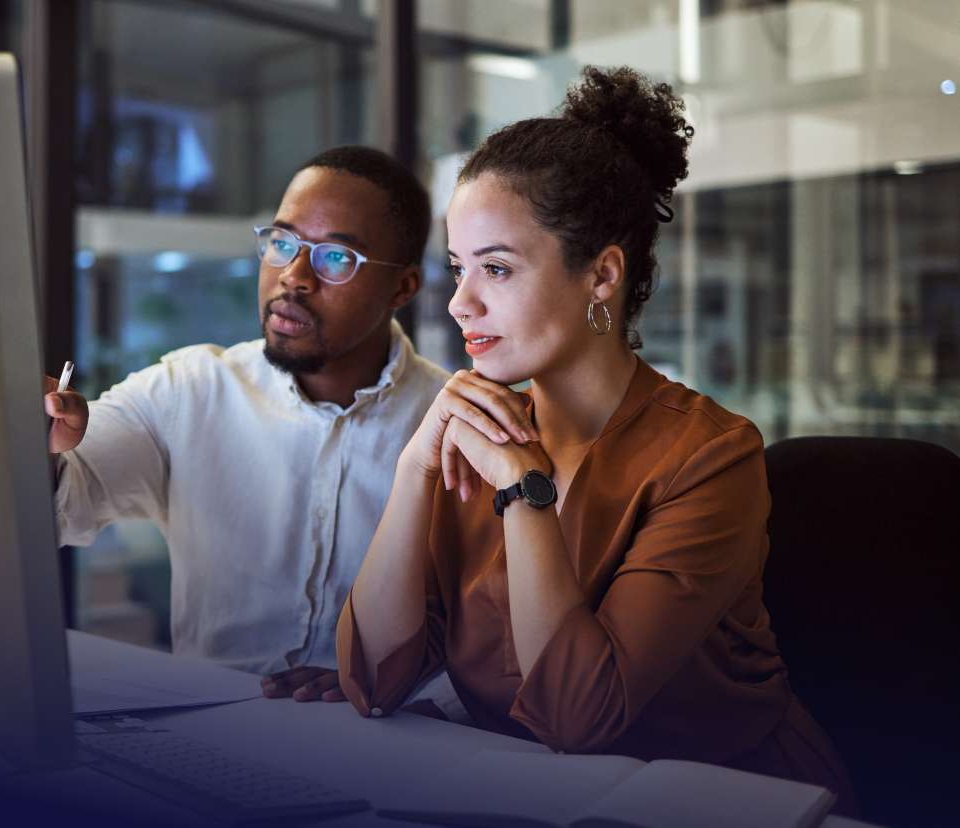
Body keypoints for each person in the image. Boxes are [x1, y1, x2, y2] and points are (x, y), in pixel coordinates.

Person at [336, 67, 858, 814]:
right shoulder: (472, 434)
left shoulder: (710, 456)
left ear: (602, 275)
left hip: (725, 801)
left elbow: (577, 717)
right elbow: (371, 682)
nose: (460, 302)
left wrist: (524, 491)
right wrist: (415, 467)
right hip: (533, 796)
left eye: (497, 268)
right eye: (457, 269)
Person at [45, 146, 462, 719]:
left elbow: (493, 643)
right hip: (206, 730)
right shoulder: (190, 389)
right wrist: (40, 446)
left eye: (336, 257)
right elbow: (62, 504)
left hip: (387, 738)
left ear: (403, 288)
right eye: (283, 242)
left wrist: (401, 688)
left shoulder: (454, 427)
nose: (293, 276)